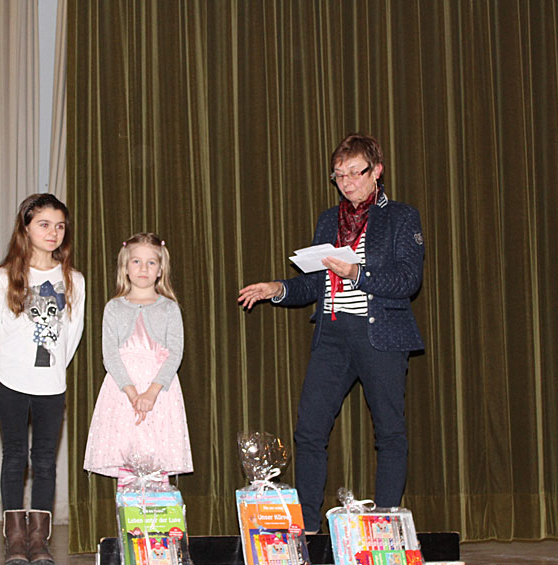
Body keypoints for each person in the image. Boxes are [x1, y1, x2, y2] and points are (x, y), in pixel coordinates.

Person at [237, 133, 424, 532]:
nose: (346, 183)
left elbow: (408, 280)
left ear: (377, 171)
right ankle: (306, 525)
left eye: (355, 173)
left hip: (382, 337)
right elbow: (314, 284)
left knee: (389, 432)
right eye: (339, 175)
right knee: (309, 430)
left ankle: (385, 523)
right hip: (333, 337)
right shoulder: (329, 220)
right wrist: (278, 289)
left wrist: (357, 272)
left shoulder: (401, 217)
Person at [0, 193, 85, 565]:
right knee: (14, 459)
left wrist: (54, 368)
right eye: (44, 224)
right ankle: (15, 539)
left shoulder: (73, 279)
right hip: (11, 380)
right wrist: (1, 372)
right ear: (26, 227)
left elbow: (72, 334)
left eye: (59, 226)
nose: (53, 232)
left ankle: (39, 537)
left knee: (45, 461)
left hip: (51, 385)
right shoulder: (5, 276)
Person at [84, 232, 192, 485]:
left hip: (160, 392)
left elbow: (175, 352)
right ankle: (130, 521)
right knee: (127, 452)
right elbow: (109, 354)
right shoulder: (114, 308)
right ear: (125, 267)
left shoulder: (169, 308)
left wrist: (152, 393)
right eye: (136, 261)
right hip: (123, 392)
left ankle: (160, 520)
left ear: (160, 269)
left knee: (157, 452)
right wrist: (133, 394)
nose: (143, 268)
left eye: (151, 262)